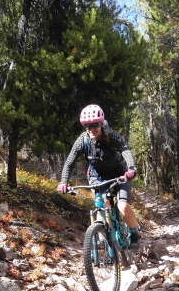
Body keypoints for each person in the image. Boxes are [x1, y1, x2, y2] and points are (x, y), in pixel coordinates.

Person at [57, 105, 141, 244]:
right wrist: (63, 181)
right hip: (97, 177)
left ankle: (134, 233)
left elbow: (125, 150)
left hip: (119, 174)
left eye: (95, 125)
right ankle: (104, 233)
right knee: (102, 206)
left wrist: (131, 168)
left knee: (123, 206)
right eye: (88, 126)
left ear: (101, 124)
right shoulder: (82, 140)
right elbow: (70, 161)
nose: (92, 129)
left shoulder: (112, 136)